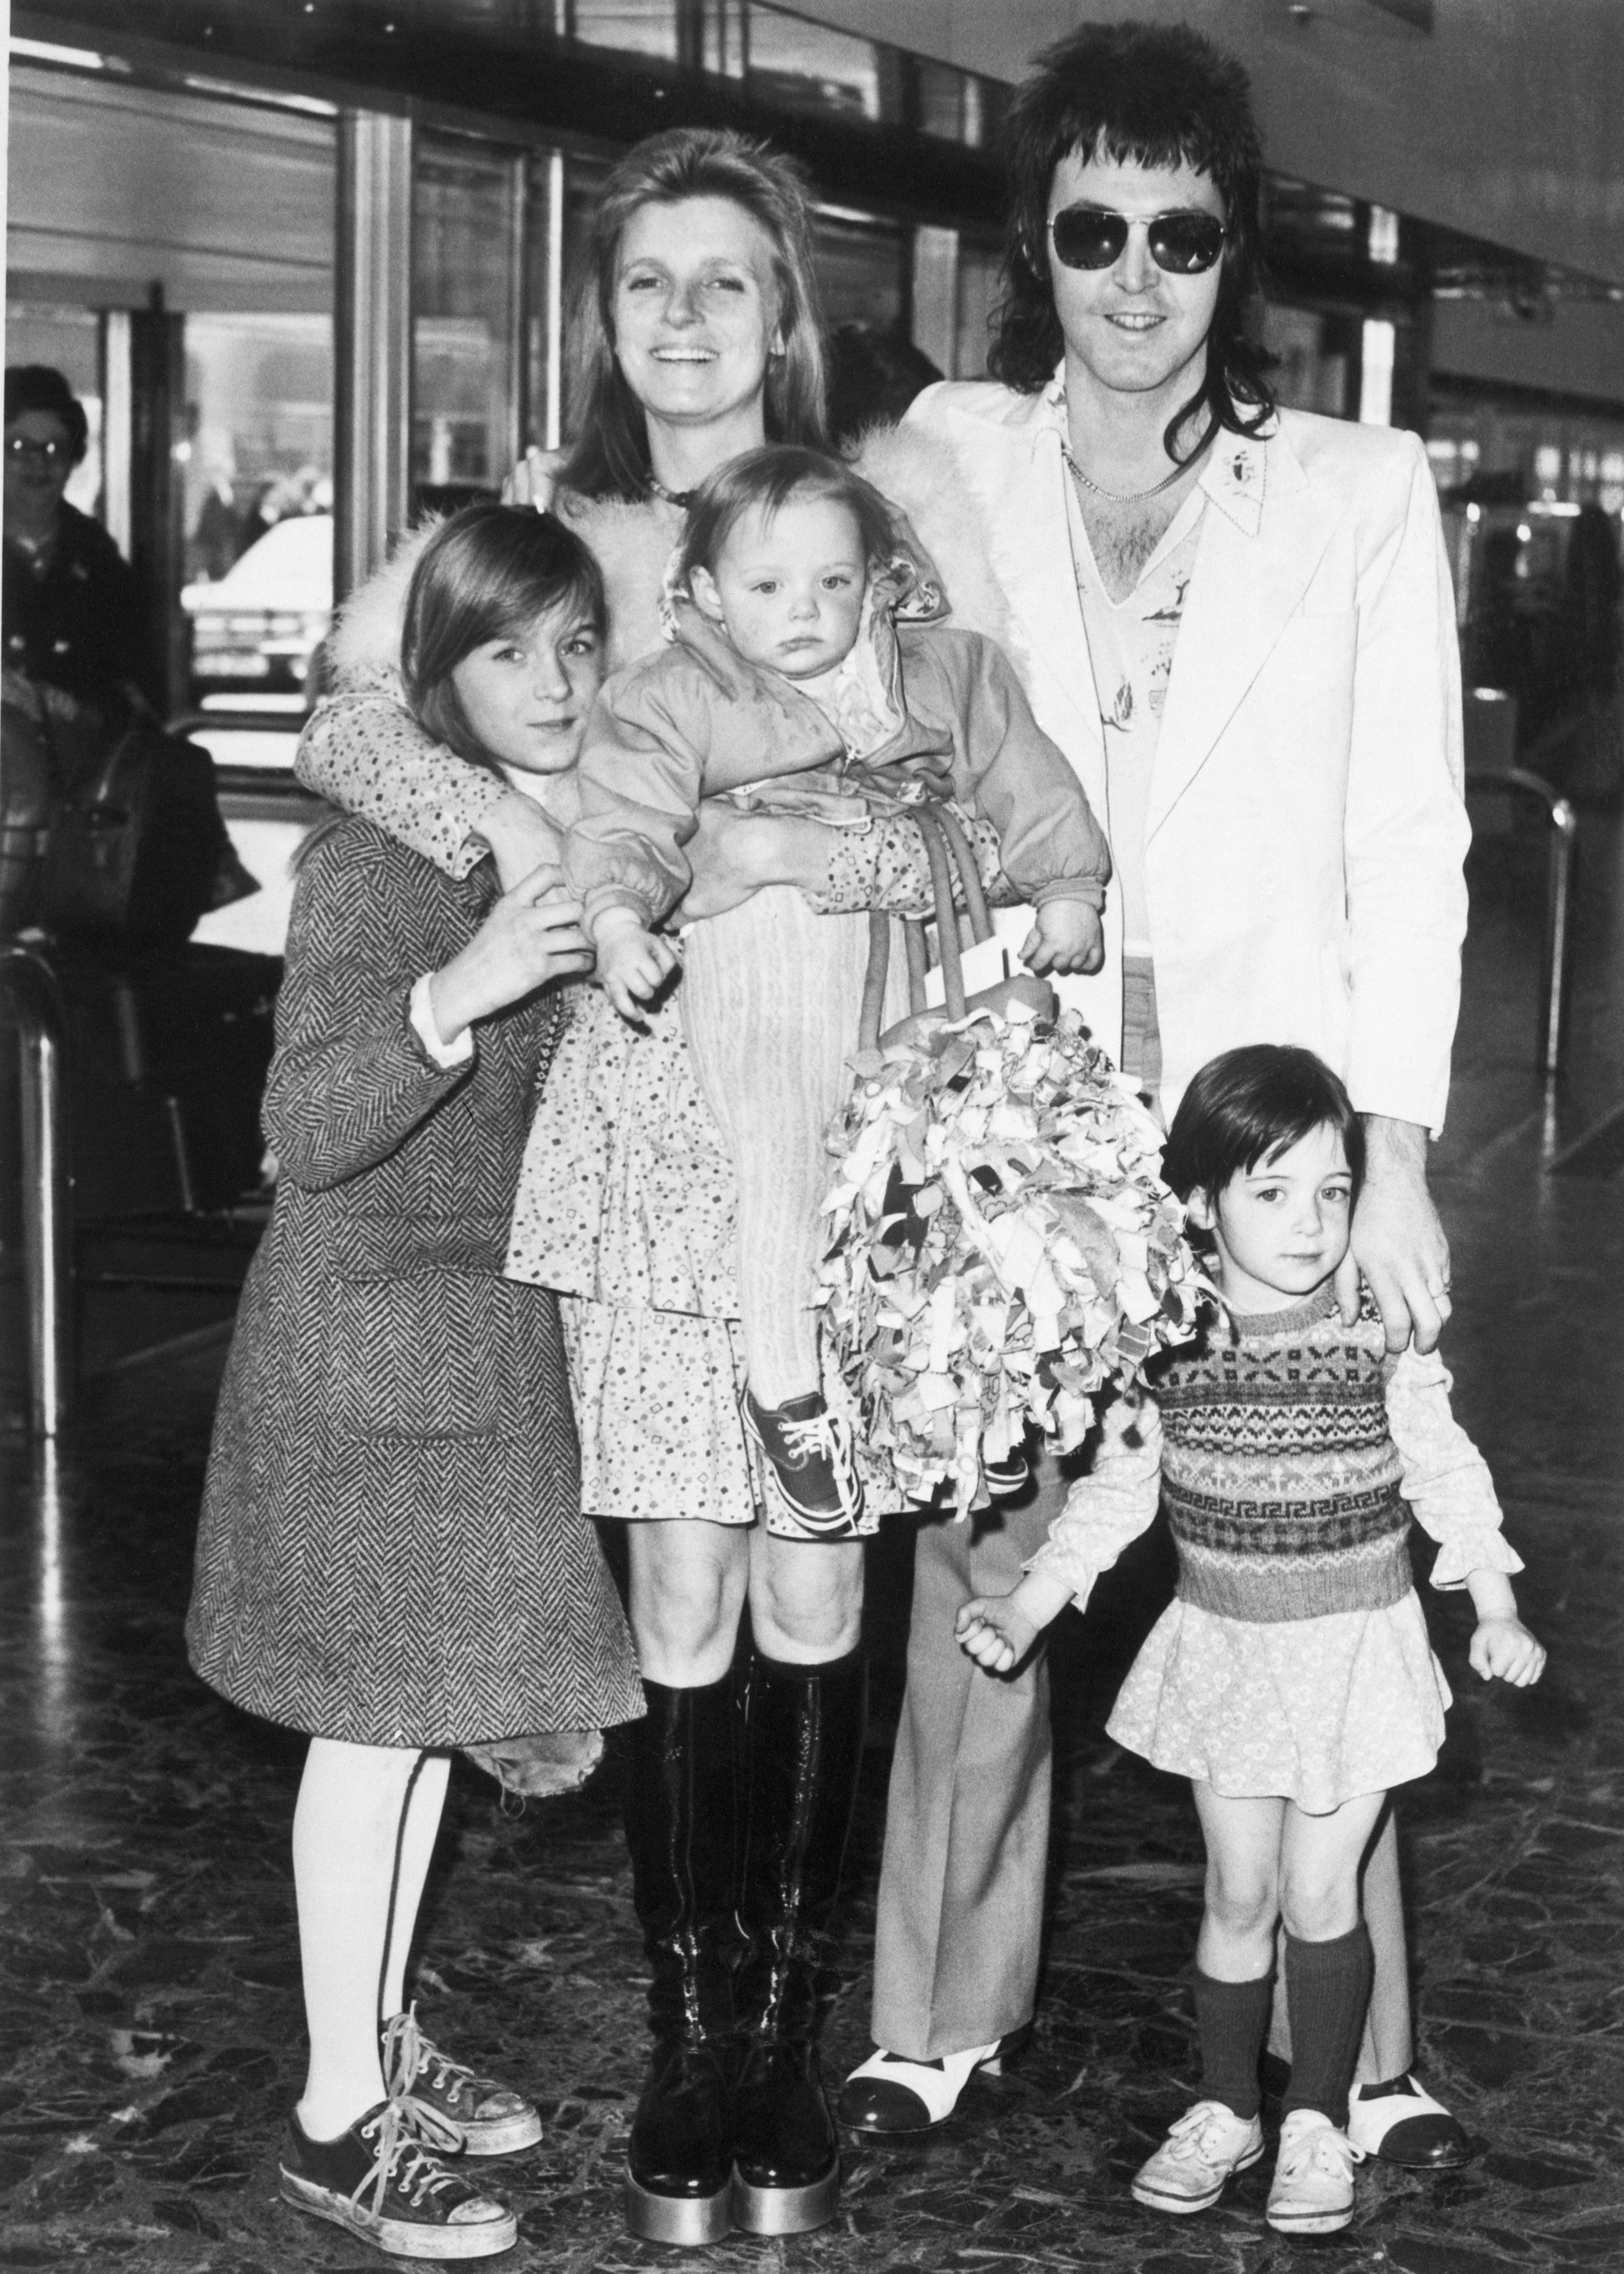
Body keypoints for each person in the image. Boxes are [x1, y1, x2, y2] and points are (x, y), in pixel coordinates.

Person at [296, 127, 1010, 2245]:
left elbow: (979, 794)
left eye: (726, 281)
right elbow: (350, 706)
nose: (686, 320)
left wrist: (804, 854)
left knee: (818, 1578)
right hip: (646, 1136)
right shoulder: (556, 534)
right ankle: (691, 2026)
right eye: (646, 287)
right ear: (598, 319)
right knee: (680, 1591)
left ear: (784, 306)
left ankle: (789, 2024)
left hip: (851, 1132)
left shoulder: (877, 514)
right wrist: (519, 848)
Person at [841, 20, 1476, 2172]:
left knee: (1317, 1576)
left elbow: (1410, 843)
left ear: (1237, 252)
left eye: (1180, 231)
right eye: (1093, 225)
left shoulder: (1358, 493)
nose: (1133, 274)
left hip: (1262, 1142)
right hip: (1018, 1116)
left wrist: (1387, 1150)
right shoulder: (943, 457)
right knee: (983, 1565)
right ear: (1038, 238)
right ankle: (935, 2008)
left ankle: (1360, 2049)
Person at [186, 506, 645, 2262]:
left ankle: (373, 2039)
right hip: (364, 1341)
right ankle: (328, 2114)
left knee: (434, 1723)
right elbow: (301, 1130)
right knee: (369, 1737)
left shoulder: (554, 841)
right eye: (506, 651)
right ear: (439, 676)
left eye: (577, 645)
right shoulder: (387, 859)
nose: (550, 682)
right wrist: (457, 992)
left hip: (485, 1339)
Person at [956, 1044, 1544, 2235]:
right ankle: (1226, 2103)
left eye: (1331, 1190)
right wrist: (1029, 1601)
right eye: (1270, 1191)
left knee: (1321, 1893)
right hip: (1227, 1649)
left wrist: (1489, 1596)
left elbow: (1437, 1459)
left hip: (1353, 1649)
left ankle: (1316, 2115)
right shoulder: (1166, 1335)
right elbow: (1119, 1491)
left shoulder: (1374, 1323)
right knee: (1236, 1890)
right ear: (1198, 1201)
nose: (1309, 1221)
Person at [569, 442, 1109, 1530]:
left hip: (909, 966)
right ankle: (784, 1385)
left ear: (877, 575)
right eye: (767, 588)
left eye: (832, 580)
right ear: (708, 594)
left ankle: (950, 1389)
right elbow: (623, 814)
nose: (804, 610)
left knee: (936, 1176)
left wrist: (1068, 887)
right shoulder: (674, 692)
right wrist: (617, 915)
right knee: (780, 1140)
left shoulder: (946, 671)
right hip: (761, 963)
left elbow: (1024, 776)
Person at [3, 364, 150, 707]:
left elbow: (130, 686)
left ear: (74, 458)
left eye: (54, 448)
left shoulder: (100, 561)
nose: (38, 464)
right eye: (19, 446)